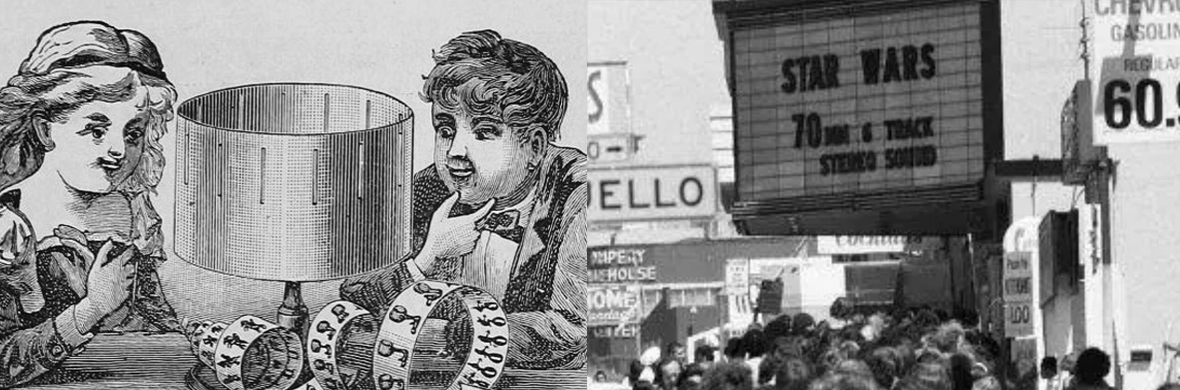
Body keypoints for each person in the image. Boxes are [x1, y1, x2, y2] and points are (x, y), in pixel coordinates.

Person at [339, 29, 586, 370]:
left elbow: (573, 329)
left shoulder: (578, 195)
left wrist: (457, 338)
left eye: (484, 133)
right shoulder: (431, 187)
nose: (455, 152)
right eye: (445, 130)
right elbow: (356, 289)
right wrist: (427, 256)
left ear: (535, 147)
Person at [0, 21, 180, 387]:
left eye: (132, 133)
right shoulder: (9, 228)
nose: (118, 150)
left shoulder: (131, 214)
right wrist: (91, 309)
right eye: (97, 130)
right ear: (44, 129)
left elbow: (159, 331)